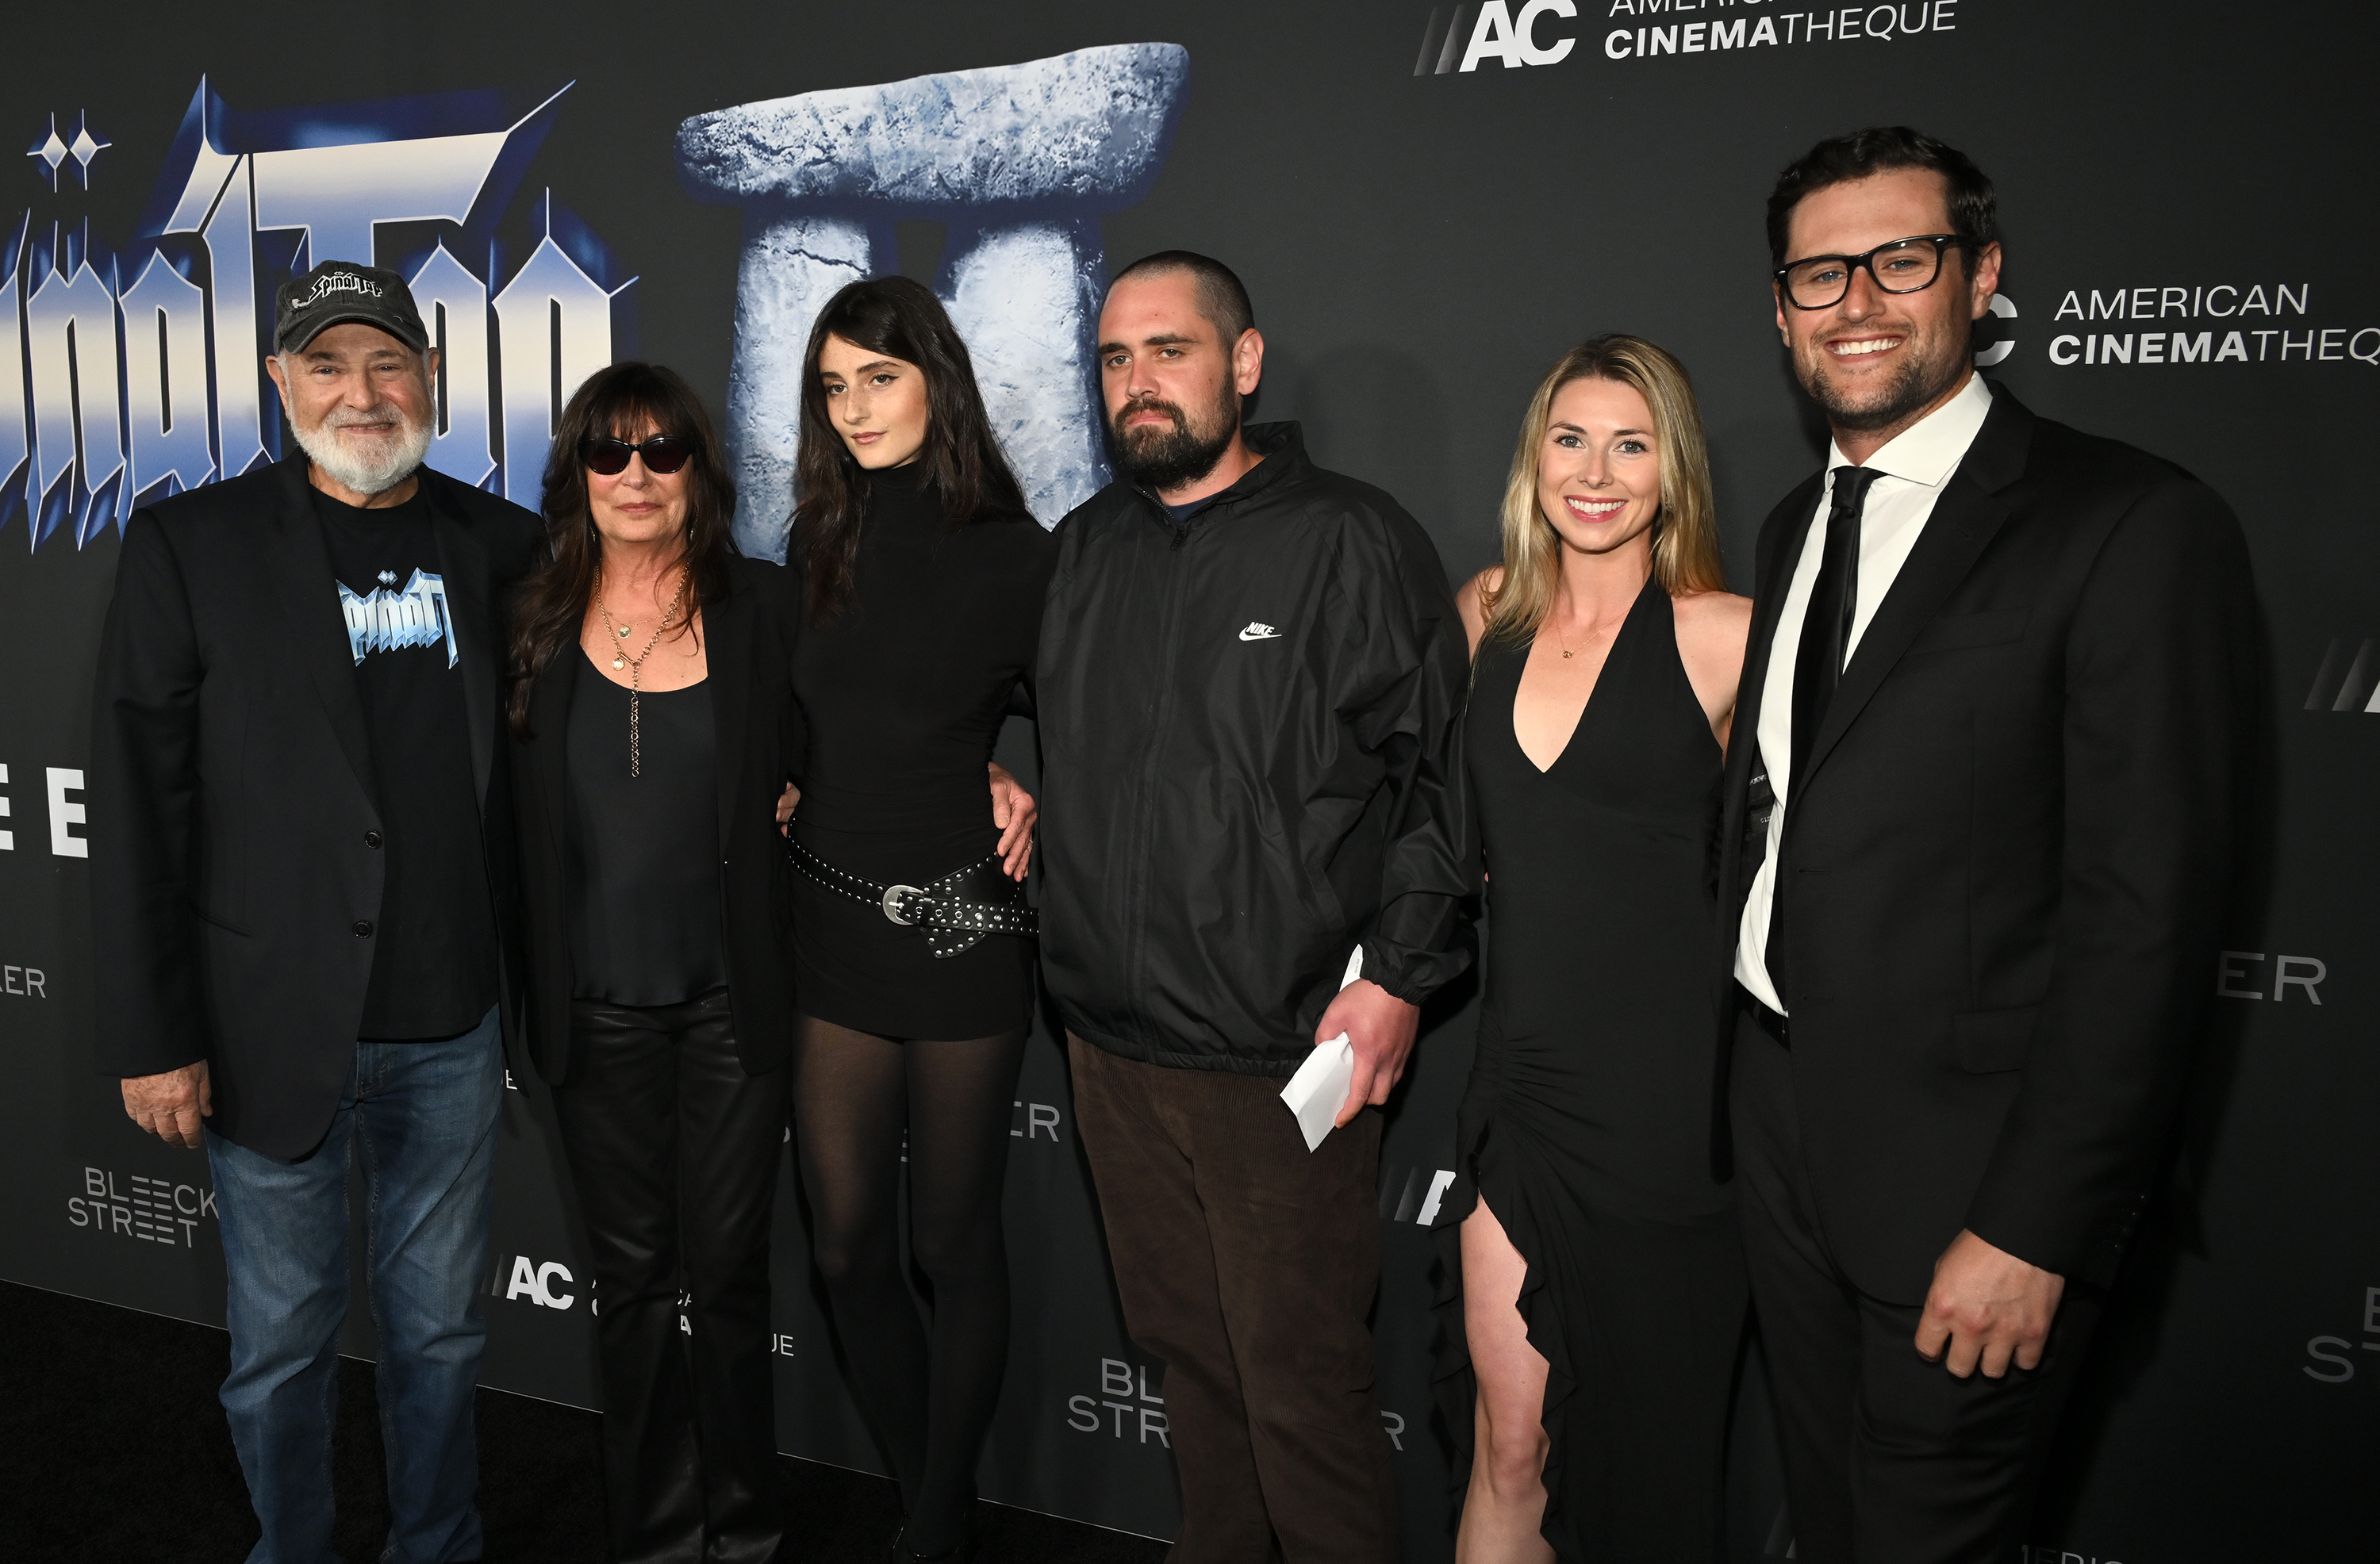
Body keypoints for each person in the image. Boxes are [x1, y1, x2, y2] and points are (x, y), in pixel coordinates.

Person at [1717, 127, 2257, 1562]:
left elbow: (2145, 920)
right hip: (1780, 1133)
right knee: (1828, 1524)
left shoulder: (2130, 523)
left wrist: (2037, 1227)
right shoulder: (1791, 527)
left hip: (1974, 1184)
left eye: (1902, 259)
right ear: (1780, 309)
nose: (1859, 302)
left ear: (1983, 274)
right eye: (1819, 274)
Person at [89, 260, 540, 1564]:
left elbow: (661, 657)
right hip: (263, 1025)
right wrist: (149, 1033)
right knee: (281, 1351)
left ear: (434, 383)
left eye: (388, 361)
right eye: (328, 364)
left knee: (444, 1338)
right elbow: (137, 802)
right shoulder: (192, 546)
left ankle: (435, 1545)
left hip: (452, 1026)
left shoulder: (503, 543)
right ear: (281, 383)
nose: (362, 391)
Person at [1036, 251, 1476, 1564]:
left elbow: (1447, 790)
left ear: (1244, 362)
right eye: (1115, 360)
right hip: (1110, 1053)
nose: (1137, 384)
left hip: (1286, 1057)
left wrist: (1398, 977)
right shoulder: (1083, 549)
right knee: (1187, 1367)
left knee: (1301, 1393)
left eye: (1167, 351)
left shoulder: (1352, 540)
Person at [1436, 336, 1751, 1563]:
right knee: (1509, 1444)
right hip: (1519, 1088)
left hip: (1675, 1114)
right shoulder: (1484, 615)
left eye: (1633, 443)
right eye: (1572, 438)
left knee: (1658, 1463)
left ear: (1671, 470)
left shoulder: (1729, 635)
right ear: (1535, 457)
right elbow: (1436, 836)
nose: (1599, 471)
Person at [505, 362, 802, 1564]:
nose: (635, 476)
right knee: (630, 1291)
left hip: (736, 1009)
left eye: (662, 452)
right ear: (578, 472)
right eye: (609, 453)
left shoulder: (766, 610)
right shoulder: (525, 619)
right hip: (590, 1015)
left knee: (726, 1281)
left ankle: (744, 1536)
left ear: (698, 471)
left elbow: (872, 740)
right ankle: (656, 1539)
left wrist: (988, 774)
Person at [778, 275, 1051, 1564]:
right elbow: (796, 720)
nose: (853, 409)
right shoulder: (813, 541)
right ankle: (924, 1489)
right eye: (833, 387)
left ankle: (936, 1526)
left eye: (877, 378)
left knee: (951, 1238)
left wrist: (1030, 782)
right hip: (831, 922)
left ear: (935, 378)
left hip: (960, 927)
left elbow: (1096, 720)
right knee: (844, 1247)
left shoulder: (1018, 551)